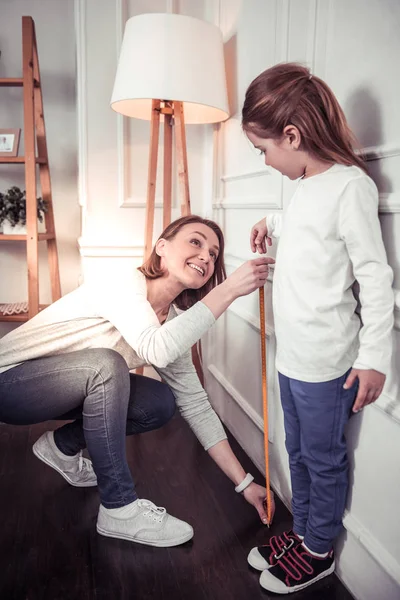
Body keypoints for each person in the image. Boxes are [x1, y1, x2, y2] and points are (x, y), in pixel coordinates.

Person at [0, 215, 276, 548]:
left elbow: (196, 405)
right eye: (196, 242)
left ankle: (61, 447)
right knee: (107, 366)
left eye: (214, 254)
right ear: (162, 247)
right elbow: (154, 350)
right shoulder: (124, 284)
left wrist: (245, 483)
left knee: (160, 403)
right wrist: (228, 290)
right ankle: (119, 509)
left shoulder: (170, 322)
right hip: (10, 383)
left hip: (60, 387)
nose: (206, 256)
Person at [242, 63, 394, 594]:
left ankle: (319, 548)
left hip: (328, 365)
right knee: (297, 453)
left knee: (323, 460)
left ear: (292, 135)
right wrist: (269, 220)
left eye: (263, 150)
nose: (263, 160)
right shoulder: (304, 186)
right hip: (292, 359)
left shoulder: (350, 186)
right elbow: (303, 226)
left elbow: (374, 274)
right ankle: (303, 529)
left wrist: (374, 355)